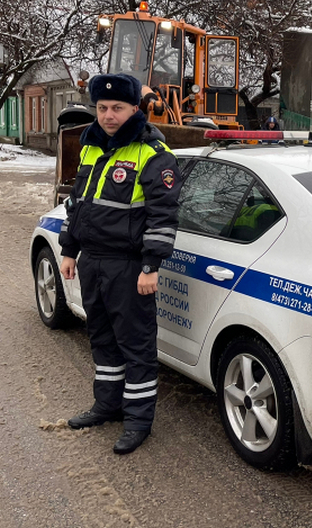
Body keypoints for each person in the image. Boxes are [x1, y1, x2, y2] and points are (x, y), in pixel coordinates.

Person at [58, 73, 181, 455]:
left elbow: (163, 217)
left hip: (129, 268)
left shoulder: (153, 154)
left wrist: (151, 266)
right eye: (103, 108)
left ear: (134, 109)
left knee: (136, 346)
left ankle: (139, 420)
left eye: (118, 108)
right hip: (93, 262)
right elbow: (79, 204)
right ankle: (107, 406)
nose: (109, 115)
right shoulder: (91, 147)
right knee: (102, 340)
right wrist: (68, 249)